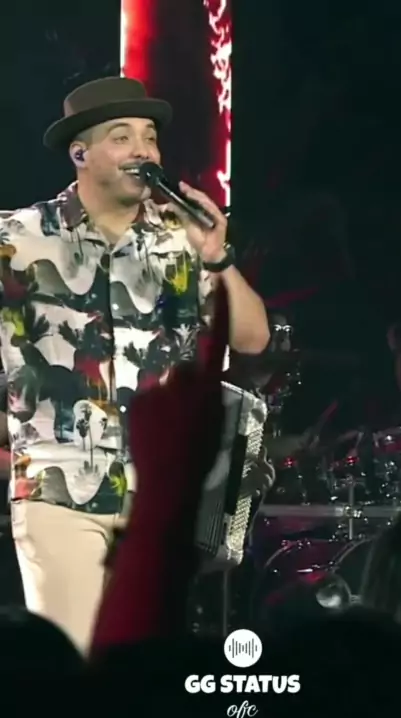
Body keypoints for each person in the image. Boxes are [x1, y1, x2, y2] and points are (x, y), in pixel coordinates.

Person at [0, 76, 269, 651]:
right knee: (78, 663)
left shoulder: (180, 242)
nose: (143, 150)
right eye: (122, 137)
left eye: (149, 137)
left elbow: (252, 338)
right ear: (81, 153)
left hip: (160, 499)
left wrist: (216, 255)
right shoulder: (18, 239)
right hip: (59, 490)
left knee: (143, 665)